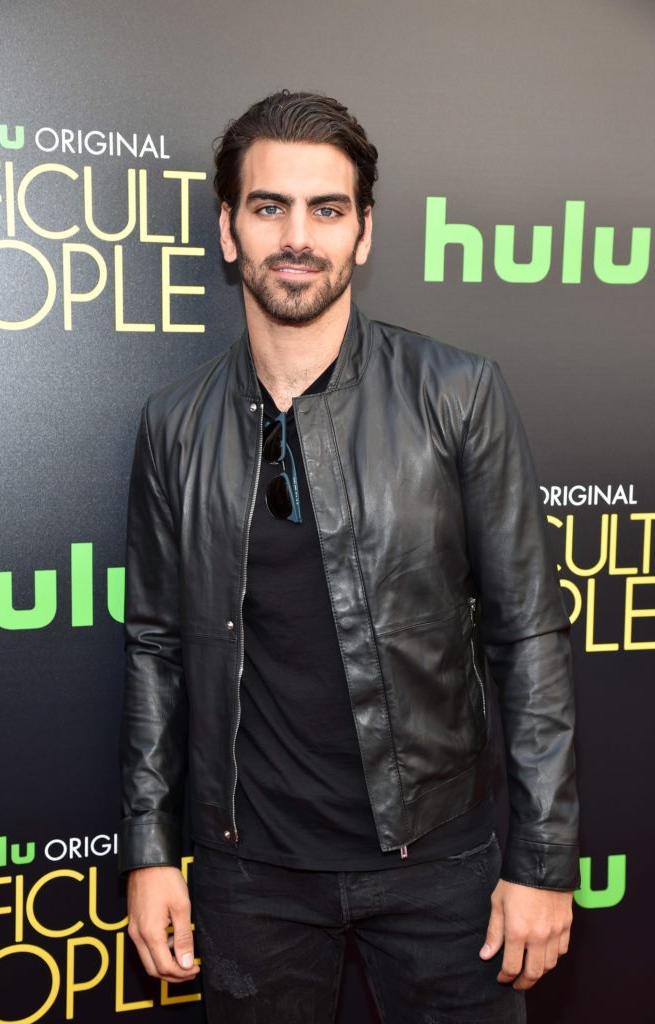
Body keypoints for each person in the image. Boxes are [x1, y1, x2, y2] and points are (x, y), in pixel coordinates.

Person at [119, 91, 579, 1023]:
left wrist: (541, 862)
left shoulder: (457, 393)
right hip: (250, 879)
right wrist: (150, 851)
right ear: (227, 229)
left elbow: (527, 637)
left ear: (363, 233)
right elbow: (156, 650)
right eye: (268, 206)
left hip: (442, 872)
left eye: (327, 209)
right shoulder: (174, 426)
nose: (297, 236)